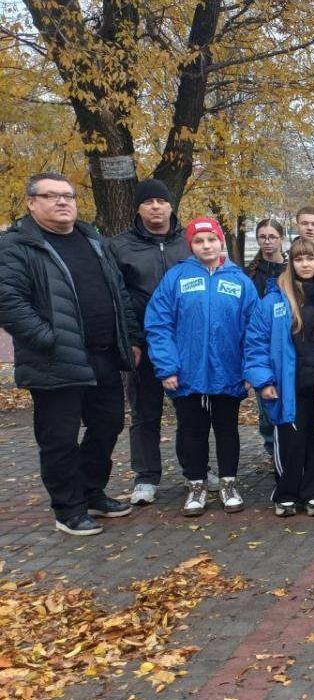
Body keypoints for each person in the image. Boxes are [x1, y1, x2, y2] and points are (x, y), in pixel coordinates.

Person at [0, 172, 138, 535]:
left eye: (68, 196)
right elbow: (9, 302)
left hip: (104, 356)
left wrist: (130, 338)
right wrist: (50, 339)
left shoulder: (92, 239)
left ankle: (92, 492)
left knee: (108, 425)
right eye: (52, 196)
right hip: (54, 360)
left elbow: (118, 292)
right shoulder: (17, 245)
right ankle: (68, 508)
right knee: (59, 438)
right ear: (32, 203)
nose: (63, 202)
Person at [144, 218, 259, 517]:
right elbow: (159, 324)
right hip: (187, 372)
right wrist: (167, 367)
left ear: (221, 241)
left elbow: (254, 329)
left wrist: (250, 369)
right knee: (192, 430)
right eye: (199, 241)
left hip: (228, 371)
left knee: (227, 429)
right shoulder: (176, 278)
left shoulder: (240, 281)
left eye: (211, 239)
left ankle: (228, 483)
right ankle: (196, 484)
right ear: (190, 245)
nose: (206, 246)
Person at [243, 238, 314, 517]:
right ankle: (286, 494)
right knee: (291, 443)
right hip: (287, 386)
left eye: (310, 259)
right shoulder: (273, 301)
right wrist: (264, 380)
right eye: (299, 259)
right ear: (290, 263)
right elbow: (255, 344)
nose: (305, 264)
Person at [108, 178, 190, 507]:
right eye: (148, 202)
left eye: (161, 201)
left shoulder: (190, 242)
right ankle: (145, 476)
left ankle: (194, 469)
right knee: (144, 411)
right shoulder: (119, 246)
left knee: (190, 411)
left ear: (171, 205)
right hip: (143, 342)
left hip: (186, 343)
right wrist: (131, 340)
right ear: (138, 208)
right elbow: (118, 297)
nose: (155, 207)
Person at [246, 218, 289, 459]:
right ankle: (272, 450)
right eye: (263, 237)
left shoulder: (291, 269)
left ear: (281, 238)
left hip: (287, 344)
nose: (268, 241)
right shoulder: (251, 274)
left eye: (272, 236)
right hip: (262, 346)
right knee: (266, 406)